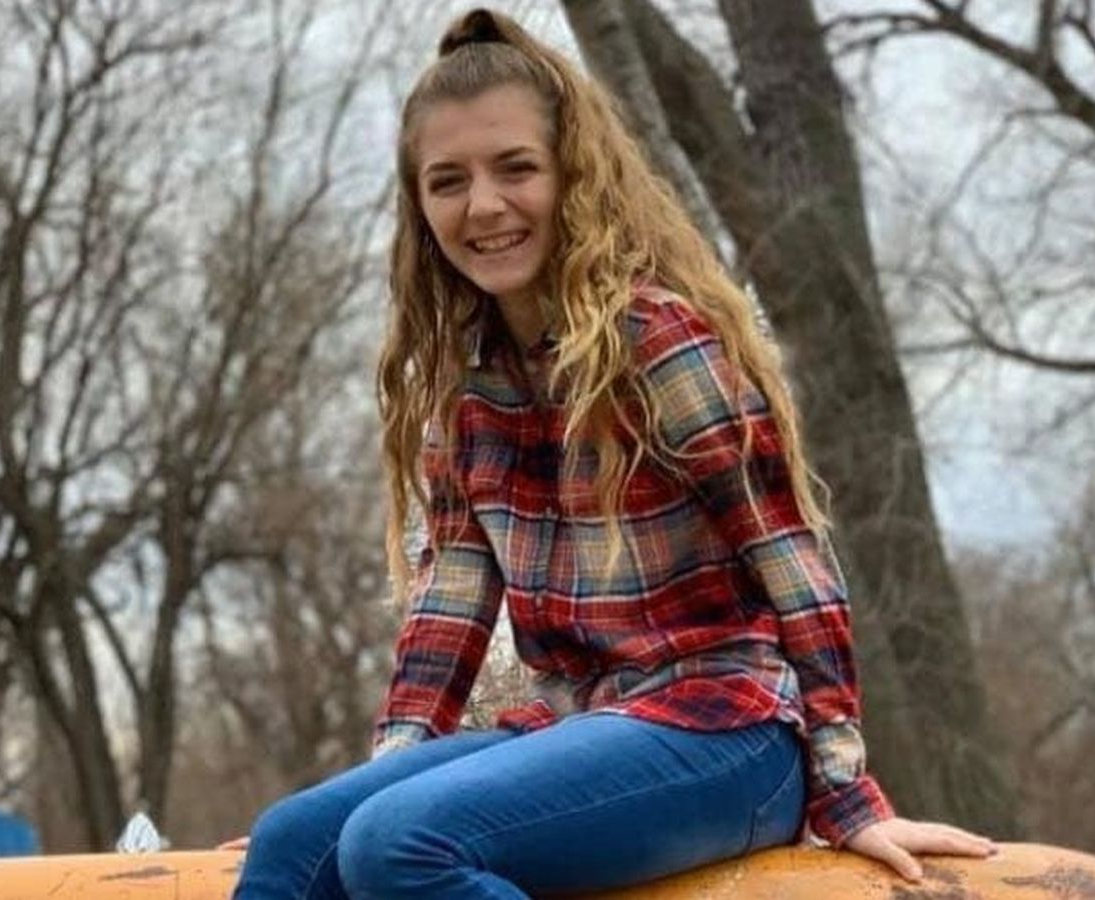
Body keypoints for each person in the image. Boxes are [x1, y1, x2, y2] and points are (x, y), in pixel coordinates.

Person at [231, 8, 997, 899]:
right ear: (419, 204)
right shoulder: (467, 386)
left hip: (729, 734)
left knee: (400, 845)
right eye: (448, 181)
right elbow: (450, 602)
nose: (484, 205)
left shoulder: (658, 342)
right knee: (294, 845)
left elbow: (793, 561)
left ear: (574, 172)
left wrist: (846, 790)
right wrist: (386, 775)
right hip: (580, 725)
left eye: (516, 168)